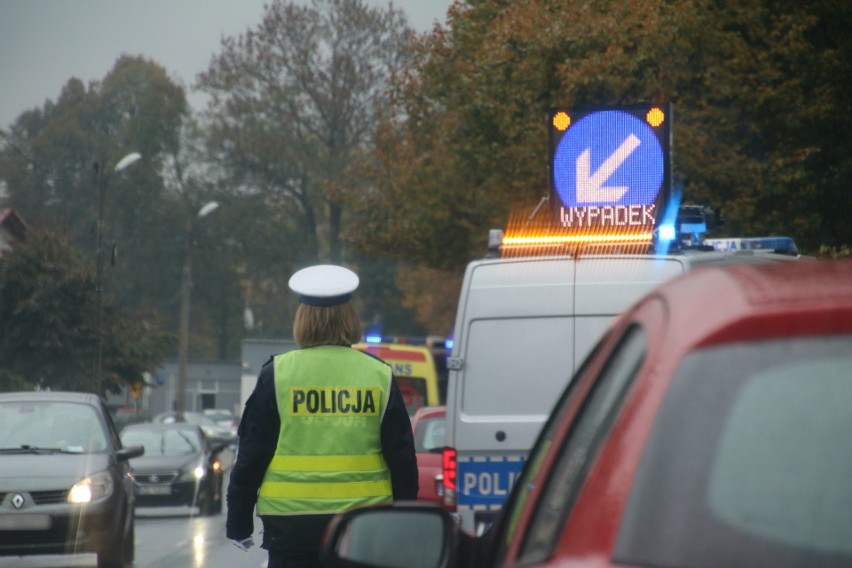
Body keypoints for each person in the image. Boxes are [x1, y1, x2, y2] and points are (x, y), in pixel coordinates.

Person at [226, 264, 419, 567]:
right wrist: (405, 524)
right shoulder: (378, 375)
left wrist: (238, 523)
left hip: (290, 527)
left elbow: (252, 455)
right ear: (351, 318)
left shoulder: (276, 375)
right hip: (363, 525)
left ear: (302, 319)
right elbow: (402, 459)